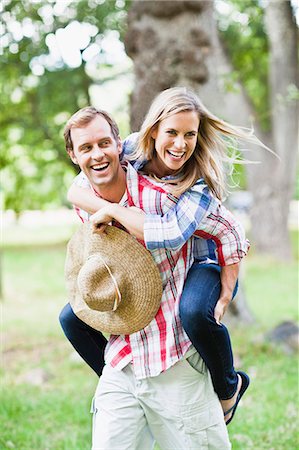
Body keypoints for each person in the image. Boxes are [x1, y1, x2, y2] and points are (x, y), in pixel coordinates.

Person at [60, 87, 253, 427]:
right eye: (172, 133)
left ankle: (229, 386)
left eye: (189, 135)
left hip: (210, 260)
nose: (180, 144)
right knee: (70, 317)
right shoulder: (130, 149)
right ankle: (120, 384)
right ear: (153, 131)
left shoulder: (197, 184)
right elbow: (79, 184)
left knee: (194, 312)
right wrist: (93, 201)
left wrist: (226, 291)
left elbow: (173, 234)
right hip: (168, 253)